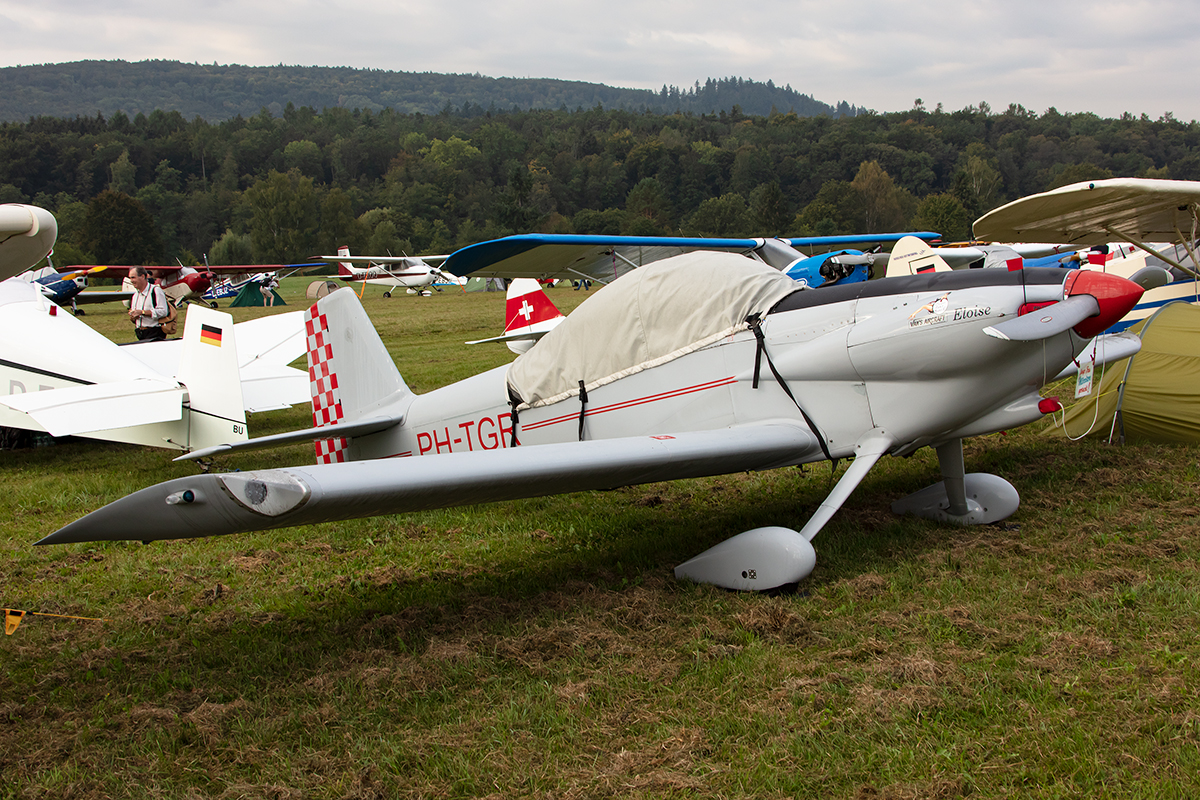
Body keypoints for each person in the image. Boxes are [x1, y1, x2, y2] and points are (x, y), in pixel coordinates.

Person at [127, 266, 169, 341]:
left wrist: (142, 312)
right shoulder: (135, 295)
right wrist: (133, 317)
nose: (131, 281)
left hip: (154, 332)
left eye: (133, 277)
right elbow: (134, 319)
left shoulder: (155, 291)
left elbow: (164, 311)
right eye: (130, 278)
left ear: (142, 276)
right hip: (140, 333)